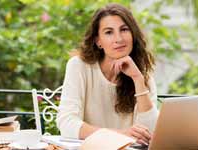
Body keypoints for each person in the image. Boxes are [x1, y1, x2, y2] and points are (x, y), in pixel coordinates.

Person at [56, 3, 158, 145]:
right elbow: (66, 124)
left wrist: (138, 79)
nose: (119, 39)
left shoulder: (141, 75)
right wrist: (120, 135)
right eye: (109, 32)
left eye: (124, 30)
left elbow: (150, 132)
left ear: (133, 35)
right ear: (98, 41)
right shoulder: (79, 66)